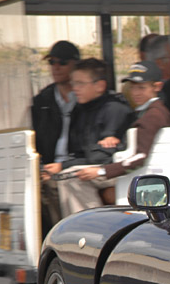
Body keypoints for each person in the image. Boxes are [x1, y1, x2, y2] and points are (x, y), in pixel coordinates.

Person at [47, 58, 135, 216]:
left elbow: (101, 156)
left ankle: (91, 224)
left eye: (80, 83)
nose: (75, 89)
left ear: (99, 85)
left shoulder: (114, 110)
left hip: (116, 168)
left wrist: (64, 166)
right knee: (48, 182)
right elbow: (78, 151)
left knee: (71, 178)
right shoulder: (80, 110)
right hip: (93, 164)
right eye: (73, 84)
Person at [32, 40, 80, 233]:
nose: (56, 67)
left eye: (62, 62)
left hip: (76, 165)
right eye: (52, 62)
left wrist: (64, 165)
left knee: (51, 186)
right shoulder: (42, 100)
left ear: (75, 64)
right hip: (51, 166)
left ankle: (61, 237)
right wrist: (42, 165)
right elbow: (36, 140)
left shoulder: (85, 96)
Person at [104, 61, 170, 183]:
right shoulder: (141, 112)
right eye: (132, 87)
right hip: (132, 171)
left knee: (75, 181)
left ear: (157, 87)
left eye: (141, 87)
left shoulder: (153, 114)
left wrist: (102, 171)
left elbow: (141, 156)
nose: (135, 93)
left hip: (141, 174)